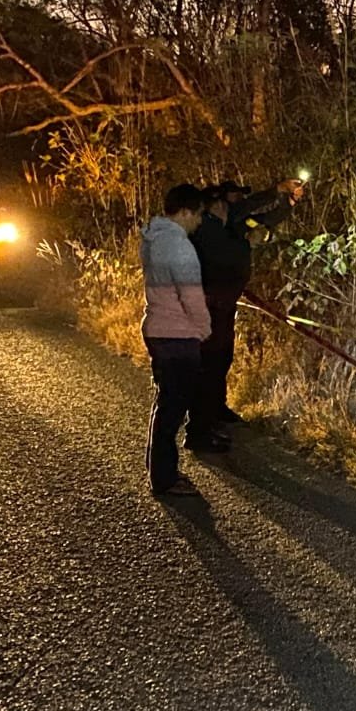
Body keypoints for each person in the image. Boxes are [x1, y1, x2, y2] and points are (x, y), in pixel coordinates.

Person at [187, 178, 305, 445]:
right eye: (236, 198)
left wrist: (289, 202)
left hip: (225, 304)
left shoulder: (233, 226)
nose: (240, 203)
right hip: (208, 306)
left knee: (222, 359)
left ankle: (216, 410)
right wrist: (275, 190)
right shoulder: (206, 227)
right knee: (208, 364)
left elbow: (263, 220)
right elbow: (251, 206)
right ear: (219, 202)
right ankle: (200, 429)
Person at [140, 183, 212, 496]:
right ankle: (165, 478)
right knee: (173, 406)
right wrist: (204, 327)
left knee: (166, 402)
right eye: (197, 215)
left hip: (158, 327)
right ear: (184, 212)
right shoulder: (179, 246)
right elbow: (191, 296)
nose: (199, 221)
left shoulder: (153, 238)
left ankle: (158, 468)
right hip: (177, 334)